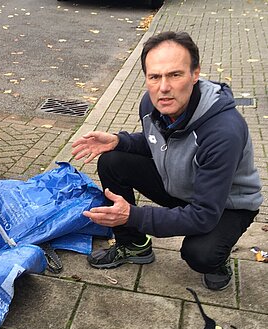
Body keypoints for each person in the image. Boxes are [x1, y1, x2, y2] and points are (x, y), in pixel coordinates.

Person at [71, 31, 263, 291]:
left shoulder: (223, 132)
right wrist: (120, 141)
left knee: (200, 254)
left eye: (175, 74)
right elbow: (160, 143)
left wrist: (133, 215)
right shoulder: (151, 105)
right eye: (154, 76)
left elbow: (204, 215)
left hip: (226, 204)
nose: (163, 87)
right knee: (112, 161)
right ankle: (134, 246)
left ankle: (220, 256)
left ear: (195, 74)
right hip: (182, 186)